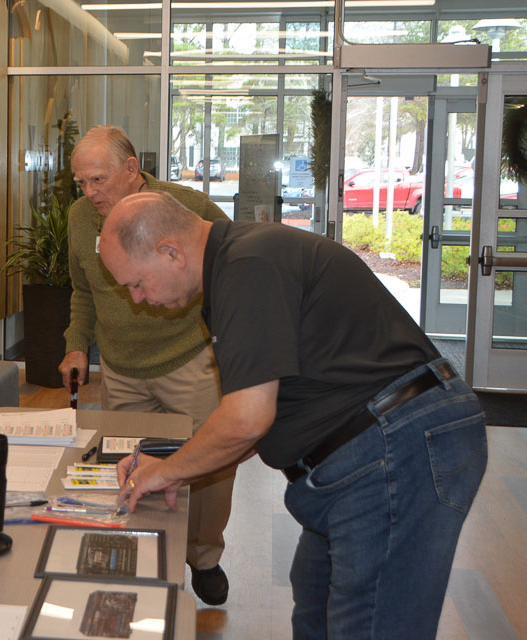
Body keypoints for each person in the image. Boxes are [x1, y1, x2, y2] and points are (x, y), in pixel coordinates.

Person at [99, 191, 488, 639]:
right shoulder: (238, 265)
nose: (137, 299)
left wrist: (168, 471)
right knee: (315, 611)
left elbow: (247, 419)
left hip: (393, 448)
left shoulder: (248, 267)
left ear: (171, 252)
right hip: (362, 454)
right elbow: (255, 420)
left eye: (136, 283)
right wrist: (177, 464)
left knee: (366, 626)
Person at [57, 125, 235, 605]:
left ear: (131, 169)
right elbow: (81, 291)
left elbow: (232, 260)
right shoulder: (80, 218)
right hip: (121, 367)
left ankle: (203, 556)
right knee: (129, 465)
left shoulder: (185, 206)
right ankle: (144, 551)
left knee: (208, 466)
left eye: (98, 180)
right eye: (81, 183)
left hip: (188, 359)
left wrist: (227, 339)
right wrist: (77, 345)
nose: (89, 192)